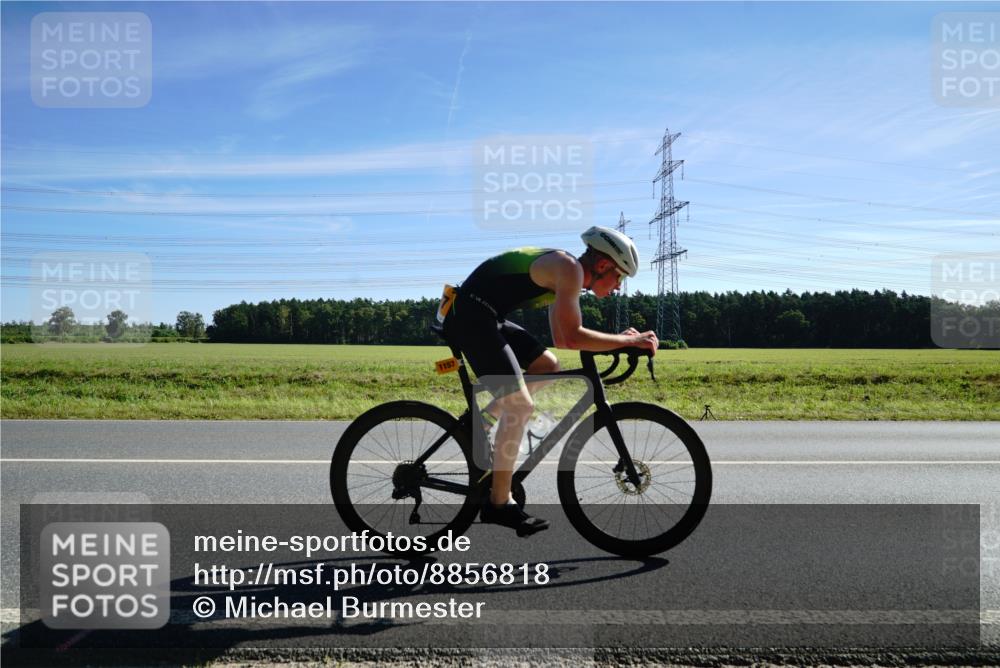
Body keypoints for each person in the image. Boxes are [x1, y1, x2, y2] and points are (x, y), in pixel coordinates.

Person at [441, 226, 659, 535]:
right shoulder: (568, 269)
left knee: (547, 365)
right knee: (520, 407)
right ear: (602, 266)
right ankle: (498, 503)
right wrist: (625, 343)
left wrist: (620, 340)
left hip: (483, 314)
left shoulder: (566, 273)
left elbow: (563, 337)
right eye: (620, 277)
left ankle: (484, 421)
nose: (619, 287)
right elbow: (570, 337)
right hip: (470, 317)